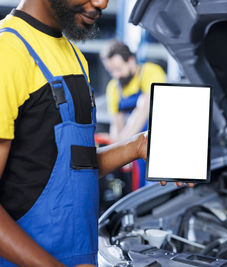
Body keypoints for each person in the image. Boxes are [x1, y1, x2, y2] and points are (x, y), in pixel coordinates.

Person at [0, 0, 147, 266]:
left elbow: (67, 168)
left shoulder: (74, 56)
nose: (102, 2)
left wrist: (137, 146)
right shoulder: (7, 53)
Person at [101, 40, 166, 143]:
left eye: (119, 69)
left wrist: (122, 142)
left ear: (131, 60)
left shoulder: (151, 72)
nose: (116, 75)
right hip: (133, 146)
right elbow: (117, 124)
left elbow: (145, 107)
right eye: (111, 71)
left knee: (144, 100)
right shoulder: (113, 87)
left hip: (156, 139)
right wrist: (114, 143)